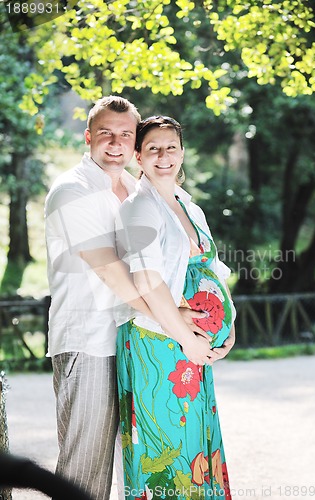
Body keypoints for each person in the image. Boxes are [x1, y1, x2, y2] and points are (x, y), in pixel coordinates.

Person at [45, 97, 216, 500]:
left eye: (126, 134)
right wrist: (175, 322)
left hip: (137, 340)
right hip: (90, 342)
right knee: (85, 468)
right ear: (88, 137)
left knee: (148, 459)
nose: (116, 142)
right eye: (106, 133)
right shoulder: (73, 190)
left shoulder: (139, 190)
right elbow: (111, 273)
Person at [115, 116, 236, 499]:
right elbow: (149, 281)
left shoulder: (190, 206)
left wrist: (229, 327)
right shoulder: (139, 208)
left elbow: (212, 271)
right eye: (153, 148)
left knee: (196, 443)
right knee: (165, 453)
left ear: (182, 153)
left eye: (171, 147)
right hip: (160, 344)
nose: (163, 155)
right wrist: (188, 339)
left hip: (192, 348)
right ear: (138, 156)